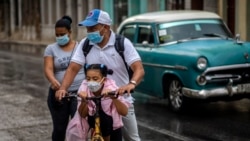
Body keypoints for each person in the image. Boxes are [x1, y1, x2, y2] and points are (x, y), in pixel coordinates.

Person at [56, 9, 145, 141]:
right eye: (88, 28)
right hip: (94, 102)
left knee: (132, 138)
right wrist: (63, 88)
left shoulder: (122, 43)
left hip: (120, 100)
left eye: (93, 28)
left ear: (106, 27)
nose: (89, 32)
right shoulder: (85, 44)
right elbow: (73, 69)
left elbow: (139, 69)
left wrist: (130, 85)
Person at [43, 15, 85, 141]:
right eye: (57, 34)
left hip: (79, 95)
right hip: (58, 96)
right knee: (60, 129)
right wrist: (53, 80)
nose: (60, 37)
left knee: (79, 128)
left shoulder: (80, 47)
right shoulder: (51, 49)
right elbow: (48, 69)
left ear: (70, 32)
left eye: (63, 34)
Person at [77, 63, 130, 141]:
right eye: (88, 79)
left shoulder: (112, 88)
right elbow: (82, 114)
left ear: (104, 79)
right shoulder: (84, 87)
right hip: (94, 123)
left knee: (105, 119)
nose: (91, 82)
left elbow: (124, 112)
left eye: (95, 79)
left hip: (112, 127)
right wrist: (83, 101)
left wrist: (113, 98)